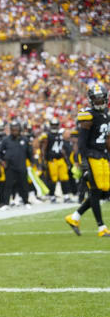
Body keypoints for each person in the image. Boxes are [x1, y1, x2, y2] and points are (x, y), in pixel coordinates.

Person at [65, 84, 110, 237]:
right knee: (96, 191)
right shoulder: (87, 115)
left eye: (100, 99)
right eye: (95, 100)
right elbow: (82, 142)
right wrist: (83, 163)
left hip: (102, 155)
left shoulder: (106, 114)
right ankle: (101, 227)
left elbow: (107, 139)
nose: (98, 102)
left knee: (103, 190)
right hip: (91, 156)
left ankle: (74, 217)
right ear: (91, 100)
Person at [0, 121, 32, 209]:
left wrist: (32, 164)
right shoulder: (6, 140)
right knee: (8, 185)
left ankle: (26, 201)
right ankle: (6, 203)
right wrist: (2, 162)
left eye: (16, 130)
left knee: (24, 184)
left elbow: (29, 153)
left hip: (21, 165)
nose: (14, 132)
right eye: (13, 130)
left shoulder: (24, 140)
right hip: (10, 166)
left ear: (19, 130)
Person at [39, 118, 72, 203]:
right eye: (53, 125)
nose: (54, 127)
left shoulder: (60, 134)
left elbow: (62, 149)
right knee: (52, 179)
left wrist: (66, 160)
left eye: (55, 125)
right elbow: (43, 149)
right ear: (50, 126)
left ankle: (66, 196)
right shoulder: (47, 135)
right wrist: (43, 161)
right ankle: (52, 196)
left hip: (60, 159)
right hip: (52, 160)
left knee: (64, 178)